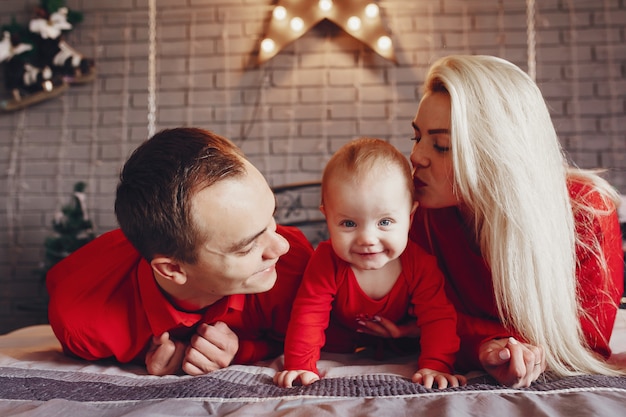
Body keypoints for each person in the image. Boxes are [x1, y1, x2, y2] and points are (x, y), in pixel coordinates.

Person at [400, 54, 624, 388]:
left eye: (442, 146)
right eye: (417, 137)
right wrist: (486, 347)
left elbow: (586, 343)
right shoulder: (429, 215)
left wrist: (482, 339)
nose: (416, 157)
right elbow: (414, 317)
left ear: (497, 150)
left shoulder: (587, 209)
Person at [47, 127, 313, 376]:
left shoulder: (296, 266)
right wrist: (143, 357)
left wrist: (243, 350)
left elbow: (333, 338)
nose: (281, 245)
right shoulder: (86, 319)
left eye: (271, 217)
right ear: (172, 269)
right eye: (247, 246)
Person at [274, 137, 465, 389]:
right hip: (337, 344)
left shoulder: (420, 264)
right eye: (348, 223)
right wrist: (300, 364)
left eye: (384, 222)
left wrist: (436, 365)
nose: (367, 239)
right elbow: (309, 314)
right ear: (327, 217)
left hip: (399, 344)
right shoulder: (326, 260)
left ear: (410, 217)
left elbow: (438, 318)